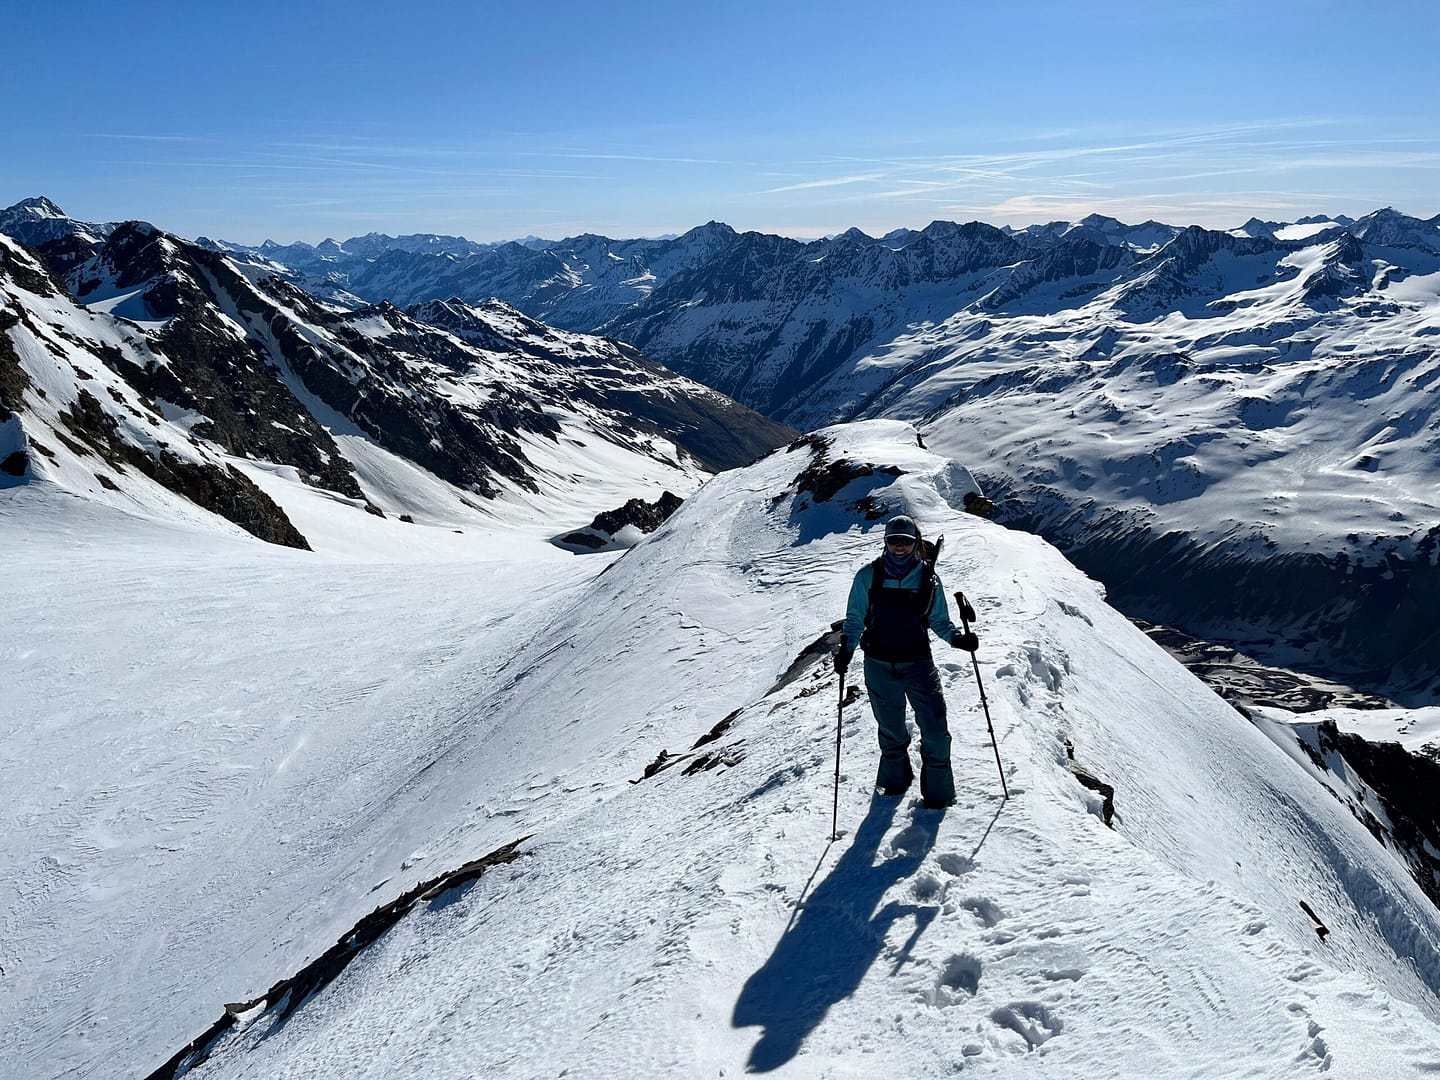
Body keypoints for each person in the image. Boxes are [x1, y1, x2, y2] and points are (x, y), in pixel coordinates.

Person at [833, 514, 978, 809]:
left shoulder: (928, 578)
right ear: (885, 542)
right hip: (879, 664)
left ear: (915, 544)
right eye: (894, 540)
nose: (899, 546)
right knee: (891, 731)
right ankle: (894, 782)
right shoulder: (867, 576)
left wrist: (958, 640)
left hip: (917, 663)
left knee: (936, 729)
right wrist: (845, 650)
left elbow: (938, 620)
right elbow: (854, 618)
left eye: (906, 541)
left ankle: (939, 795)